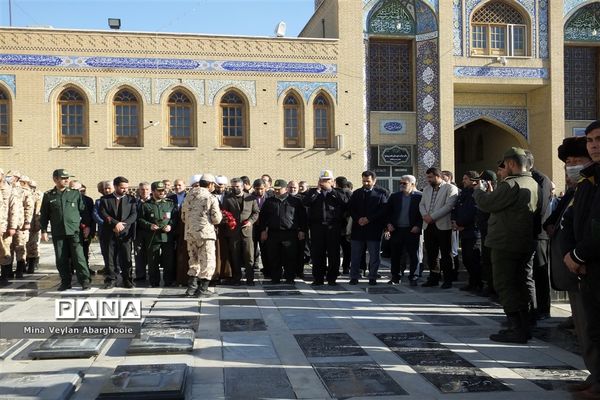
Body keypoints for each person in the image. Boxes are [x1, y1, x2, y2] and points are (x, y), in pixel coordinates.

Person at [544, 136, 595, 394]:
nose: (571, 166)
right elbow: (563, 222)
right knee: (584, 328)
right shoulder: (578, 190)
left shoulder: (590, 187)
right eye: (569, 162)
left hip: (586, 268)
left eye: (577, 161)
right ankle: (594, 376)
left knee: (592, 327)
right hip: (573, 272)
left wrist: (577, 255)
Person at [474, 147, 539, 343]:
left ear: (510, 164)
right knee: (521, 282)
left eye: (504, 165)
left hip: (506, 242)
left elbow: (488, 204)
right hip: (523, 240)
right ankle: (523, 326)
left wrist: (478, 192)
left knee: (506, 284)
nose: (502, 170)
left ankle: (516, 329)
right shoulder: (532, 182)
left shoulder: (511, 184)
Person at [562, 121, 600, 398]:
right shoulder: (589, 180)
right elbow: (573, 220)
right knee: (593, 327)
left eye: (598, 139)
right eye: (589, 140)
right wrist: (571, 253)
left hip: (592, 260)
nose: (594, 145)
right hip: (587, 267)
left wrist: (578, 254)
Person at [39, 169, 91, 291]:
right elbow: (44, 215)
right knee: (61, 259)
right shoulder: (48, 195)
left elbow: (84, 211)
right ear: (55, 179)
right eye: (63, 178)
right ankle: (65, 282)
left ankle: (84, 281)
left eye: (67, 178)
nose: (67, 180)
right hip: (58, 232)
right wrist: (44, 231)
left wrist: (87, 226)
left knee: (79, 258)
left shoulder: (75, 193)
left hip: (74, 231)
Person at [303, 170, 348, 286]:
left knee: (334, 253)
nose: (324, 183)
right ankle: (318, 278)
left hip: (333, 227)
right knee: (318, 254)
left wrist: (331, 191)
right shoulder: (313, 192)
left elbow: (345, 204)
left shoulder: (338, 193)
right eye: (322, 180)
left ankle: (332, 278)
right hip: (317, 227)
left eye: (327, 181)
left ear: (332, 182)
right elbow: (306, 202)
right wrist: (317, 191)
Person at [259, 179, 307, 284]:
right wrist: (263, 230)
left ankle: (289, 277)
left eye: (279, 189)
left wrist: (302, 230)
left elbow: (302, 217)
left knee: (290, 256)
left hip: (290, 233)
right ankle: (275, 277)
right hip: (273, 233)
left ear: (285, 189)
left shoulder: (295, 201)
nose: (276, 191)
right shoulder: (269, 201)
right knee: (274, 256)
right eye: (275, 189)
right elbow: (263, 217)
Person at [182, 173, 222, 297]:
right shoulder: (210, 197)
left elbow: (183, 216)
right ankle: (203, 290)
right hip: (206, 234)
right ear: (209, 185)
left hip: (190, 233)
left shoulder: (188, 196)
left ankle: (191, 288)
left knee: (193, 260)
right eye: (213, 185)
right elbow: (216, 219)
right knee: (208, 261)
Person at [419, 167, 459, 288]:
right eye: (427, 177)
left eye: (430, 177)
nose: (428, 180)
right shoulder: (426, 189)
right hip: (428, 225)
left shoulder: (450, 188)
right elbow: (421, 204)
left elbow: (449, 206)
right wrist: (425, 215)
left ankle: (448, 279)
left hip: (443, 225)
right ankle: (434, 278)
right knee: (431, 253)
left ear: (438, 176)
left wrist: (433, 216)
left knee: (446, 254)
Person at [348, 170, 388, 285]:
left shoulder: (381, 193)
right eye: (364, 181)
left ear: (374, 181)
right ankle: (354, 276)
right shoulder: (356, 193)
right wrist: (358, 218)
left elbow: (383, 210)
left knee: (374, 255)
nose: (365, 183)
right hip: (358, 229)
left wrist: (369, 219)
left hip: (374, 229)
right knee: (355, 255)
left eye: (368, 181)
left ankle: (372, 276)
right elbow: (351, 209)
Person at [98, 176, 138, 289]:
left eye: (127, 187)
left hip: (125, 234)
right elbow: (103, 213)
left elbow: (134, 215)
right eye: (122, 187)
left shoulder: (131, 199)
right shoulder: (105, 199)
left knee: (126, 257)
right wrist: (115, 224)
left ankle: (127, 279)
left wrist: (123, 225)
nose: (125, 190)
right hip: (109, 232)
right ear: (115, 187)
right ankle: (111, 279)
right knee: (110, 257)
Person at [384, 174, 422, 286]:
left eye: (404, 183)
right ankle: (396, 277)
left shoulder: (420, 197)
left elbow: (423, 213)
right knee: (396, 255)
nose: (401, 185)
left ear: (412, 184)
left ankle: (413, 277)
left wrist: (418, 225)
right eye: (400, 183)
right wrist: (388, 224)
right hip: (397, 230)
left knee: (413, 255)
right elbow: (387, 212)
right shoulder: (395, 196)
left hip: (412, 230)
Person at [221, 177, 259, 285]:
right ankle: (236, 278)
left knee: (249, 257)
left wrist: (250, 222)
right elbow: (224, 213)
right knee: (235, 256)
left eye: (237, 186)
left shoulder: (251, 198)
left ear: (242, 186)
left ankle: (250, 279)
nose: (235, 188)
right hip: (233, 232)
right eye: (232, 186)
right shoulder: (227, 199)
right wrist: (228, 221)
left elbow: (256, 212)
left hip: (247, 231)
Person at [138, 181, 176, 287]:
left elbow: (174, 218)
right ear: (153, 191)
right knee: (153, 260)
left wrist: (171, 226)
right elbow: (140, 219)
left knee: (168, 260)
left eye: (163, 190)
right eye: (159, 191)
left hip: (167, 236)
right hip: (153, 237)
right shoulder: (146, 205)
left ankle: (168, 281)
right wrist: (149, 225)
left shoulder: (170, 204)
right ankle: (154, 282)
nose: (162, 192)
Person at [452, 171, 482, 292]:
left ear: (473, 181)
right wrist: (455, 222)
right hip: (463, 231)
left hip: (473, 232)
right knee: (466, 259)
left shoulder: (477, 193)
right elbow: (456, 208)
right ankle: (472, 282)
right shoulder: (463, 193)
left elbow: (476, 214)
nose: (463, 181)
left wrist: (464, 225)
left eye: (466, 179)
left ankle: (477, 283)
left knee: (473, 259)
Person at [10, 174, 34, 278]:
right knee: (9, 247)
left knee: (20, 246)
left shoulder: (24, 192)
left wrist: (27, 221)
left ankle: (20, 269)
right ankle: (8, 270)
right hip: (8, 224)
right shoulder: (8, 189)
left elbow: (29, 207)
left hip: (20, 224)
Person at [69, 179, 95, 273]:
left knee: (84, 249)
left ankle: (85, 268)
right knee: (70, 250)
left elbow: (91, 216)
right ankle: (71, 268)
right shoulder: (67, 199)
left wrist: (89, 228)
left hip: (84, 228)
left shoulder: (88, 200)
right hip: (71, 229)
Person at [168, 178, 189, 286]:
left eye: (179, 185)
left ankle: (185, 277)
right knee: (173, 254)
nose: (177, 187)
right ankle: (174, 277)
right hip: (172, 229)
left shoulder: (189, 197)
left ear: (184, 186)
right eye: (175, 185)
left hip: (186, 229)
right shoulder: (170, 198)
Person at [250, 178, 272, 277]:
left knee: (266, 249)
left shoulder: (270, 198)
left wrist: (266, 228)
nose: (259, 191)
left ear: (265, 188)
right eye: (257, 189)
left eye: (261, 189)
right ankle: (252, 267)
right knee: (252, 249)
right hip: (253, 227)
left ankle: (267, 269)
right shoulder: (249, 198)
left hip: (265, 228)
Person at [133, 182, 151, 282]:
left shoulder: (154, 201)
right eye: (142, 189)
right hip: (138, 232)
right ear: (139, 190)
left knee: (151, 254)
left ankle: (152, 274)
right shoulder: (134, 202)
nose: (144, 191)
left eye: (147, 189)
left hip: (150, 232)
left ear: (150, 190)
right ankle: (140, 275)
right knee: (138, 253)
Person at [25, 179, 43, 274]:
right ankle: (25, 263)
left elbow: (38, 211)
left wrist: (37, 224)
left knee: (33, 245)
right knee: (24, 245)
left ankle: (32, 265)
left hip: (33, 223)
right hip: (24, 223)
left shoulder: (38, 195)